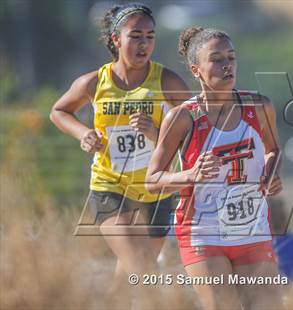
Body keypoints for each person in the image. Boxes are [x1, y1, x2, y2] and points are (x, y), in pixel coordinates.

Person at [49, 3, 190, 306]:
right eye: (135, 36)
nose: (144, 44)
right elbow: (59, 111)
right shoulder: (94, 82)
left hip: (156, 190)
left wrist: (157, 134)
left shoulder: (167, 82)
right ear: (116, 39)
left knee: (127, 279)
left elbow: (195, 130)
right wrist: (83, 134)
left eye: (150, 36)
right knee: (143, 267)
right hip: (109, 186)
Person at [146, 27, 283, 309]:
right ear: (196, 70)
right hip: (203, 233)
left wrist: (271, 173)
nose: (227, 65)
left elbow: (274, 150)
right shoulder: (182, 118)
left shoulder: (259, 106)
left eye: (231, 58)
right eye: (217, 58)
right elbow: (152, 180)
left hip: (252, 229)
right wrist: (191, 174)